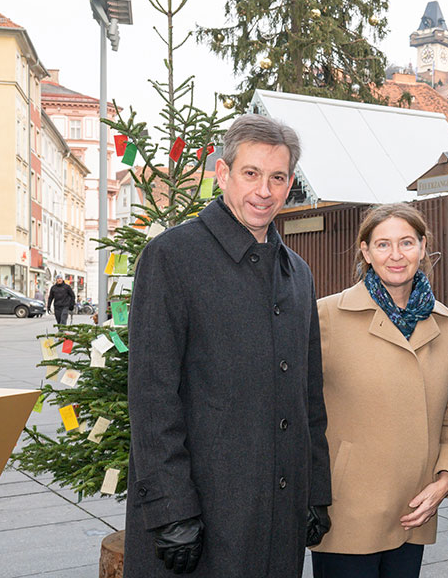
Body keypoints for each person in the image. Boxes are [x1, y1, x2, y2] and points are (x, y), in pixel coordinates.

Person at [124, 114, 332, 577]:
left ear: (290, 183)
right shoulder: (172, 257)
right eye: (251, 174)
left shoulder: (297, 273)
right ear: (223, 173)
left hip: (279, 511)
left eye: (277, 177)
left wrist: (315, 491)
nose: (264, 190)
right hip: (201, 515)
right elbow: (152, 397)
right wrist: (171, 508)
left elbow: (308, 397)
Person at [310, 203, 448, 578]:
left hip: (412, 512)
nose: (396, 255)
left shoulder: (447, 326)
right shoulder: (326, 318)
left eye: (407, 242)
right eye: (383, 244)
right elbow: (299, 413)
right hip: (346, 515)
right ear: (365, 251)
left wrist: (445, 479)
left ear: (423, 246)